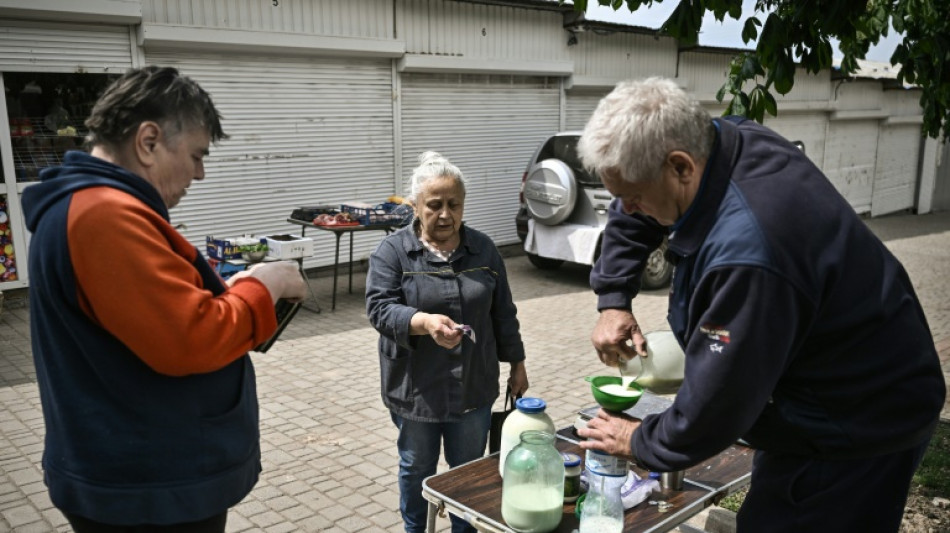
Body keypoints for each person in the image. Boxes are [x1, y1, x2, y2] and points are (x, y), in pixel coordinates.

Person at [575, 77, 945, 532]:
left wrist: (639, 439)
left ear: (680, 167)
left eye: (634, 197)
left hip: (860, 421)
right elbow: (630, 212)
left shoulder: (750, 253)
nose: (627, 210)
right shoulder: (723, 141)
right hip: (828, 388)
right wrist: (613, 298)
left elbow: (718, 405)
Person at [21, 66, 308, 532]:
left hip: (141, 481)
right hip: (149, 492)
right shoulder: (104, 216)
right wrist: (266, 283)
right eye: (195, 155)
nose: (199, 172)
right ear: (148, 141)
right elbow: (191, 337)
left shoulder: (95, 208)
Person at [366, 151, 529, 533]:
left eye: (453, 205)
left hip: (473, 386)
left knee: (468, 472)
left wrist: (517, 364)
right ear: (415, 206)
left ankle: (464, 529)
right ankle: (415, 529)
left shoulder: (484, 249)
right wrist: (422, 322)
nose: (444, 214)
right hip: (415, 390)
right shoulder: (392, 253)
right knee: (416, 468)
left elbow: (503, 311)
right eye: (434, 205)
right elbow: (379, 309)